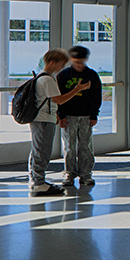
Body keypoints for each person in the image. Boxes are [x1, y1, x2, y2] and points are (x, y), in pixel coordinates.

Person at [28, 48, 90, 196]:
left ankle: (36, 179)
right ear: (52, 62)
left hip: (40, 119)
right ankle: (39, 183)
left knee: (37, 149)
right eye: (61, 64)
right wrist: (77, 89)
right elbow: (59, 99)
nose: (62, 67)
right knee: (42, 151)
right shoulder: (47, 80)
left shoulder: (41, 77)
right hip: (44, 120)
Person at [57, 45, 102, 188]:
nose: (79, 65)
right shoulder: (63, 75)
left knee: (85, 146)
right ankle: (69, 173)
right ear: (71, 60)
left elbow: (96, 97)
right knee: (69, 146)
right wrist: (61, 115)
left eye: (81, 62)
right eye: (76, 62)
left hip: (86, 116)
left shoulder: (92, 75)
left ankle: (86, 174)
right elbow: (59, 97)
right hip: (69, 116)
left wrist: (94, 115)